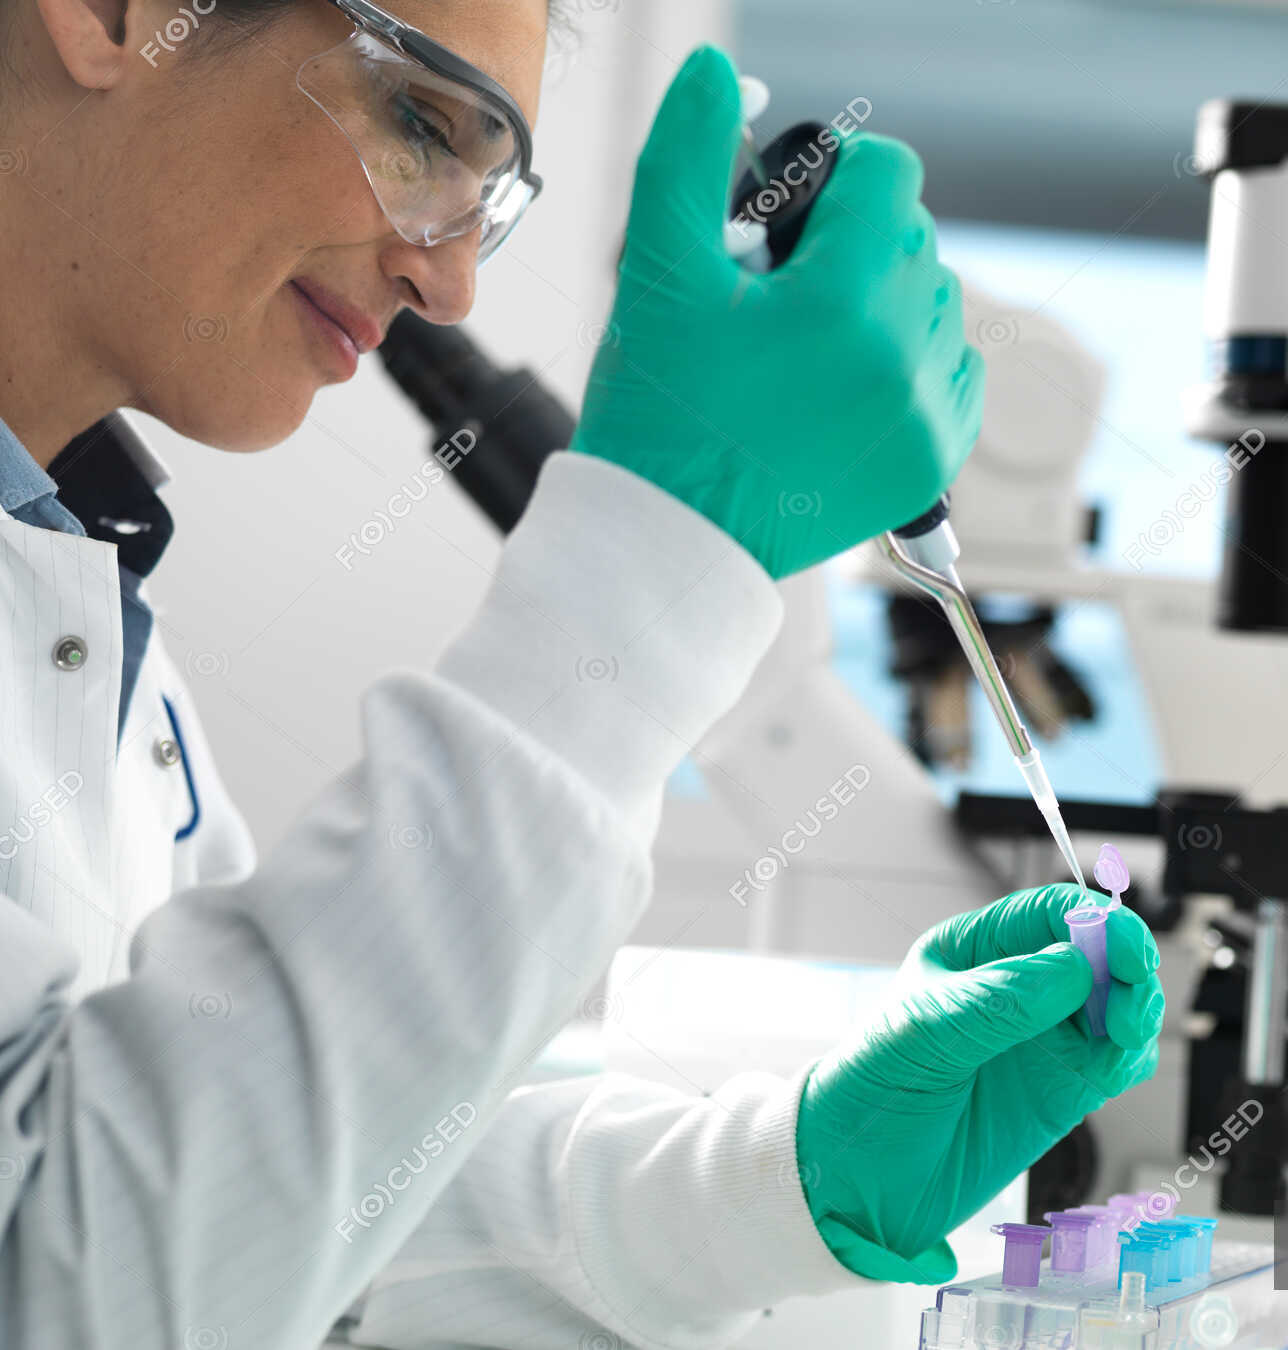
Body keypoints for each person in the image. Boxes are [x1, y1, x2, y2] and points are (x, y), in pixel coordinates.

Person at [0, 0, 1165, 1340]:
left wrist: (780, 1182)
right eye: (420, 123)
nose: (448, 281)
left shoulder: (84, 593)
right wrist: (645, 574)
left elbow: (289, 1233)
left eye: (487, 194)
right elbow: (65, 1289)